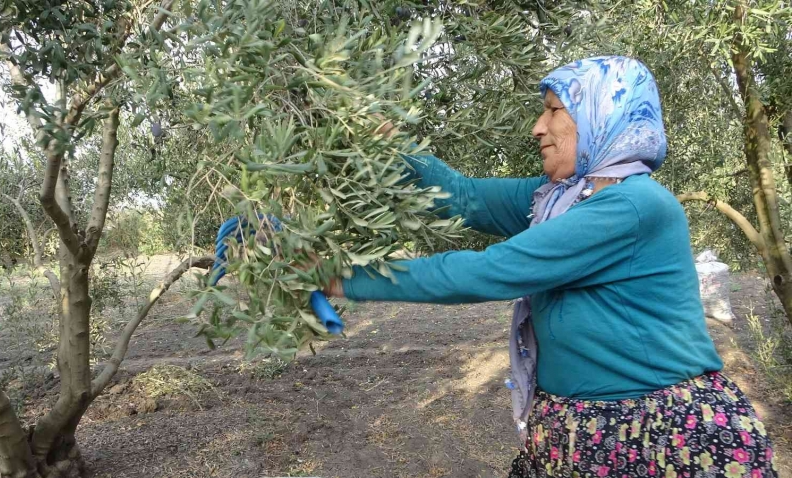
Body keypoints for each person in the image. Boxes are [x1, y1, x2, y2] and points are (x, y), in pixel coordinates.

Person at [321, 56, 777, 477]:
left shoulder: (634, 206)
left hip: (654, 435)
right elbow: (462, 196)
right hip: (579, 431)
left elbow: (487, 271)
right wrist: (391, 143)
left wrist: (343, 277)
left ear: (603, 114)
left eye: (555, 110)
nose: (538, 127)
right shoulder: (559, 198)